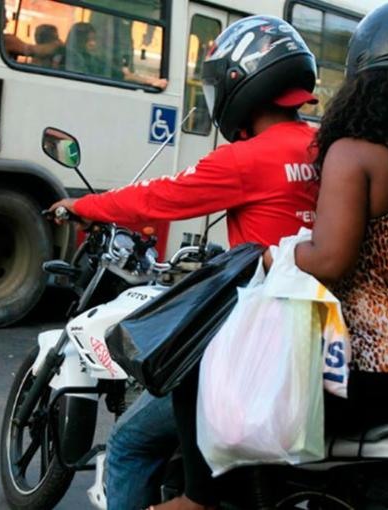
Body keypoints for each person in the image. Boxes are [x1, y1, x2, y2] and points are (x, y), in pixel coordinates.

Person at [166, 2, 388, 508]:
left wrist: (276, 256)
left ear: (359, 71)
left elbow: (330, 259)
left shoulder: (355, 152)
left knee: (197, 363)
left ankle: (197, 500)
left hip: (357, 374)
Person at [48, 16, 320, 510]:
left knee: (130, 442)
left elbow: (157, 200)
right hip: (318, 338)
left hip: (257, 344)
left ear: (242, 84)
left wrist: (82, 206)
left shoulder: (246, 159)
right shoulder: (328, 151)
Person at [64, 21, 167, 89]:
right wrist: (149, 81)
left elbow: (122, 75)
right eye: (88, 40)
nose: (93, 43)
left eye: (94, 39)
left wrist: (150, 80)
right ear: (78, 40)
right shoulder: (72, 57)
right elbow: (124, 76)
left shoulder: (91, 58)